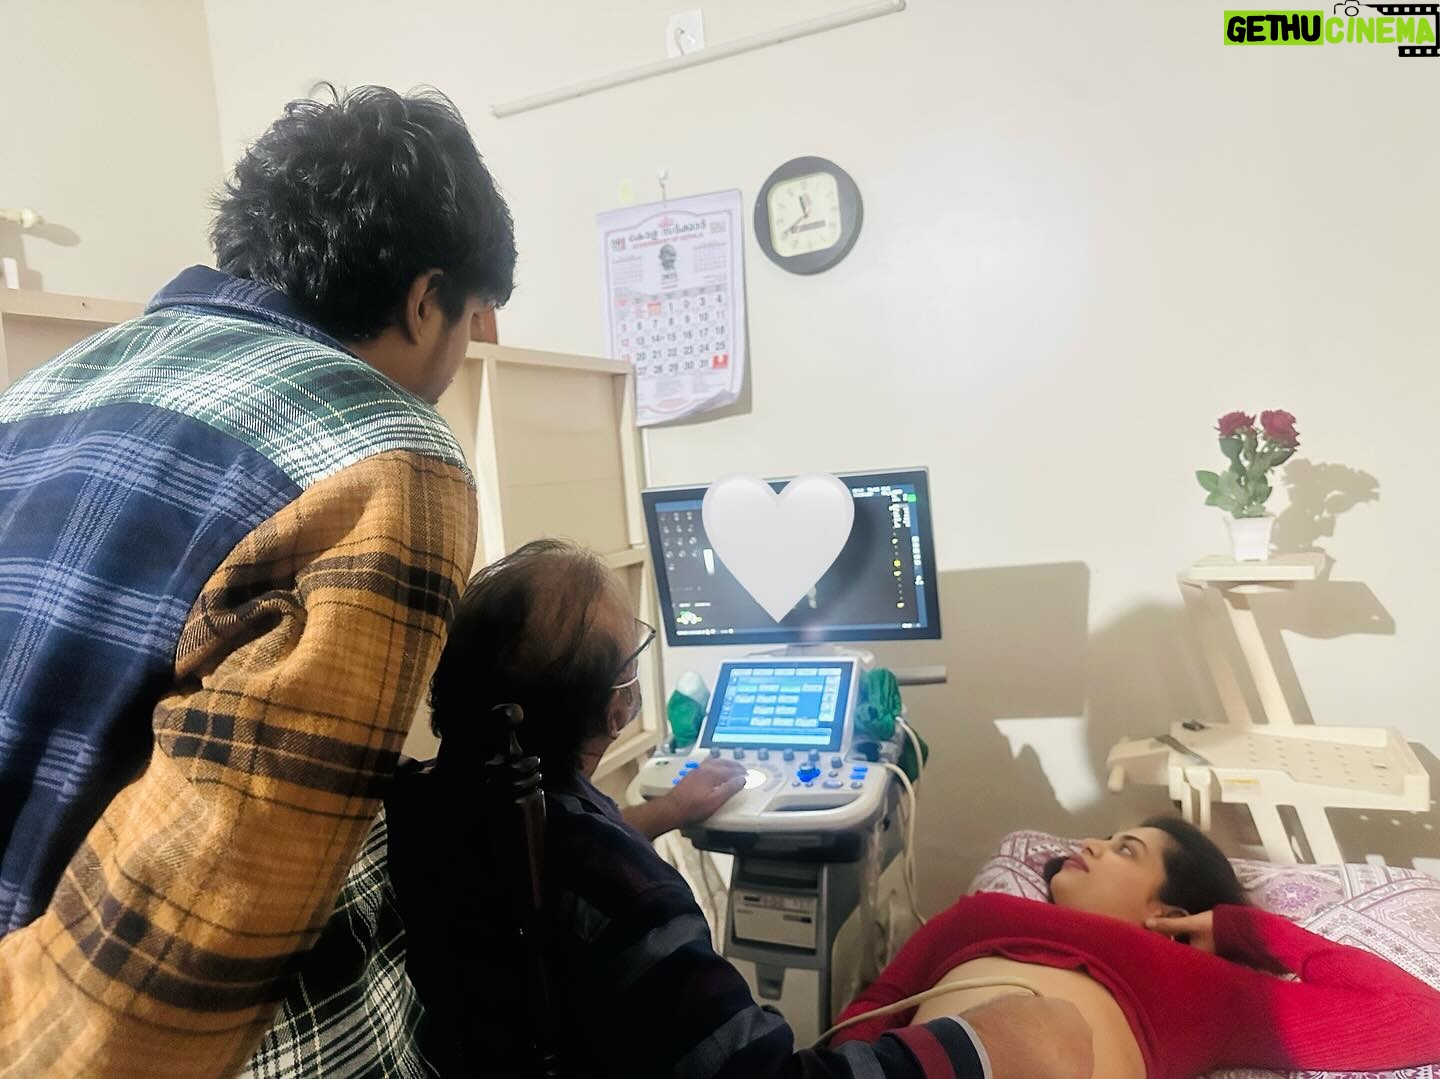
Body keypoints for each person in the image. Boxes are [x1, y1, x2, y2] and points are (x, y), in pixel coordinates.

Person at [0, 85, 515, 1075]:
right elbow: (197, 932)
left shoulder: (37, 392)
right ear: (425, 299)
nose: (459, 357)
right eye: (469, 320)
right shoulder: (388, 455)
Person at [385, 538, 1095, 1078]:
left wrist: (666, 811)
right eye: (632, 658)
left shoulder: (422, 804)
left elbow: (542, 862)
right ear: (617, 706)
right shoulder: (628, 893)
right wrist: (981, 1045)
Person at [832, 816, 1440, 1079]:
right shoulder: (982, 913)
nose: (1090, 845)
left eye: (1126, 850)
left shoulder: (1192, 980)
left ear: (1167, 912)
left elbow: (1420, 1020)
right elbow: (874, 1008)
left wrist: (1245, 931)